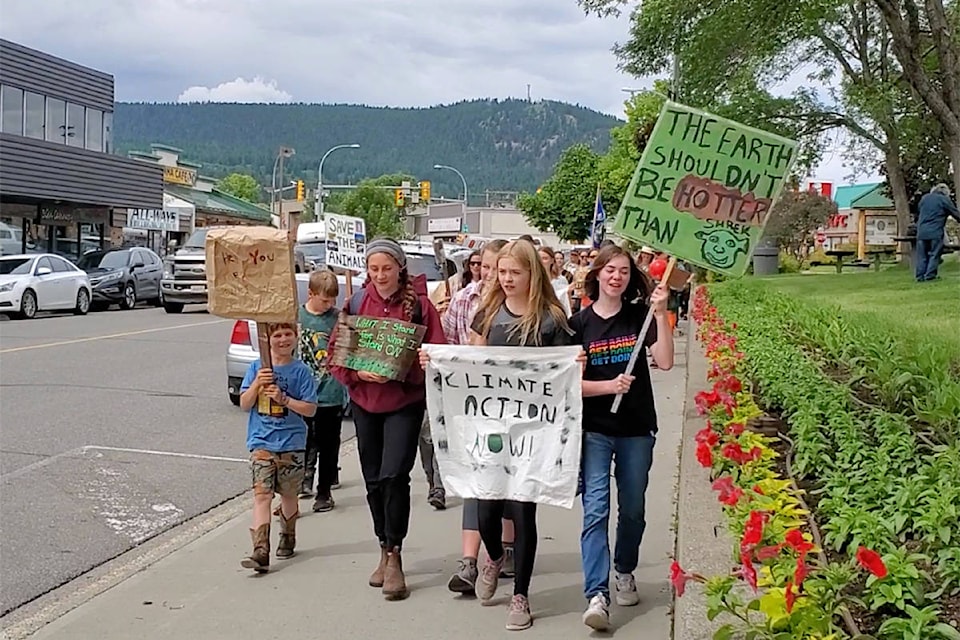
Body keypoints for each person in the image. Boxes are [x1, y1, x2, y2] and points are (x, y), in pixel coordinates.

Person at [425, 240, 572, 630]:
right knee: (487, 508)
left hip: (532, 432)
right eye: (502, 272)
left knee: (523, 510)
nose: (506, 279)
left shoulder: (551, 319)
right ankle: (492, 556)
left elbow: (563, 375)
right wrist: (436, 361)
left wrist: (576, 363)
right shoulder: (488, 313)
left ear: (531, 275)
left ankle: (521, 595)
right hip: (490, 430)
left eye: (515, 273)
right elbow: (471, 365)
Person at [328, 238, 446, 601]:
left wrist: (410, 368)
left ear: (400, 268)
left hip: (404, 403)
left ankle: (395, 554)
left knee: (396, 476)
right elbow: (336, 355)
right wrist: (359, 376)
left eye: (386, 268)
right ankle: (382, 544)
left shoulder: (421, 308)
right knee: (373, 480)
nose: (380, 275)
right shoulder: (356, 302)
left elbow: (437, 355)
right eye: (374, 268)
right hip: (366, 402)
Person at [569, 244, 673, 630]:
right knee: (595, 509)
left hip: (636, 429)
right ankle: (596, 593)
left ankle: (625, 568)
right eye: (610, 269)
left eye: (624, 271)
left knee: (633, 509)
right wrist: (608, 386)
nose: (617, 276)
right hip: (595, 429)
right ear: (596, 274)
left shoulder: (639, 318)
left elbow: (663, 361)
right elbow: (567, 385)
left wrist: (661, 315)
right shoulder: (576, 326)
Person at [439, 239, 518, 594]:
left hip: (519, 413)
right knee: (477, 484)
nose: (491, 275)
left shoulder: (530, 310)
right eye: (486, 267)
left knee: (511, 486)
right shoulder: (466, 303)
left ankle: (509, 547)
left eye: (499, 269)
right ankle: (470, 561)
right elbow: (452, 347)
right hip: (477, 408)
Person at [238, 322, 319, 573]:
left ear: (295, 338)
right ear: (268, 339)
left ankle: (288, 534)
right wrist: (256, 385)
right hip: (261, 442)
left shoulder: (301, 372)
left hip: (291, 443)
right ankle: (261, 549)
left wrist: (284, 399)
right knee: (262, 495)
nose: (283, 340)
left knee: (288, 495)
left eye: (288, 335)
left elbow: (310, 408)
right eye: (277, 335)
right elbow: (244, 403)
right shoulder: (257, 368)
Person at [297, 270, 345, 512]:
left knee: (328, 443)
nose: (329, 305)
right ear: (311, 294)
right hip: (302, 392)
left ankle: (324, 490)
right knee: (303, 440)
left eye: (332, 300)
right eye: (324, 300)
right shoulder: (298, 317)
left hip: (330, 391)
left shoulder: (337, 318)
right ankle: (302, 480)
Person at [915, 183, 960, 282]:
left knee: (921, 255)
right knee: (934, 254)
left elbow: (919, 211)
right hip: (935, 232)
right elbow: (956, 214)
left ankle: (920, 276)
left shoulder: (924, 198)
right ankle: (930, 276)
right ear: (946, 192)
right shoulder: (944, 200)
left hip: (921, 232)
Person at [539, 245, 572, 316]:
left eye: (545, 258)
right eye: (539, 258)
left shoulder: (561, 279)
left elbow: (566, 302)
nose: (541, 261)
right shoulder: (533, 279)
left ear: (552, 260)